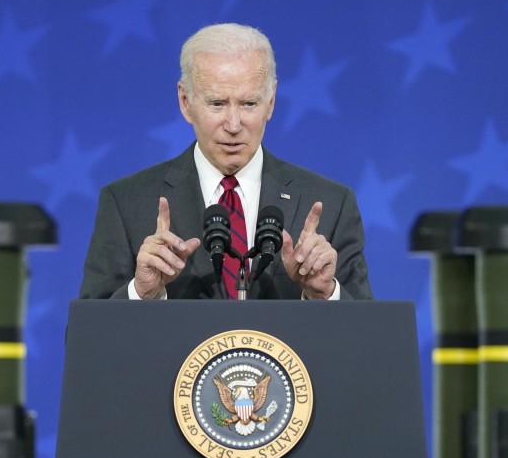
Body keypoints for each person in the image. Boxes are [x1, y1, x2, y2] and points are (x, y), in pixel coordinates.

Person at [78, 23, 372, 301]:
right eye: (217, 104)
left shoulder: (331, 204)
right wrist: (141, 293)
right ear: (185, 101)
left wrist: (324, 293)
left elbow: (369, 343)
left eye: (249, 104)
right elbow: (87, 342)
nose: (233, 124)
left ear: (270, 103)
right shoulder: (127, 203)